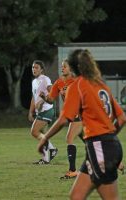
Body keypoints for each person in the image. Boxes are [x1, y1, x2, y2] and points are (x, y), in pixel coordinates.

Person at [37, 49, 126, 199]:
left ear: (72, 67)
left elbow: (64, 119)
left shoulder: (77, 85)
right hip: (105, 145)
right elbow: (122, 118)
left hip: (99, 147)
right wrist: (109, 138)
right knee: (76, 196)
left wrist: (45, 138)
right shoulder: (100, 84)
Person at [39, 60, 83, 179]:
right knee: (90, 142)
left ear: (71, 69)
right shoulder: (58, 82)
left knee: (69, 138)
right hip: (72, 114)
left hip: (81, 114)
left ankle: (73, 170)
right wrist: (44, 97)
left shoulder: (76, 81)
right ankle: (107, 160)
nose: (62, 68)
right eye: (61, 66)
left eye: (65, 66)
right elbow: (51, 99)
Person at [28, 60, 58, 165]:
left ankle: (52, 149)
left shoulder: (45, 79)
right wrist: (30, 112)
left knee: (34, 132)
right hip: (40, 111)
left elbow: (52, 93)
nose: (34, 69)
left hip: (47, 110)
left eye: (36, 67)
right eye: (33, 67)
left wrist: (42, 99)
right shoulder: (34, 81)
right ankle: (45, 159)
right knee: (43, 135)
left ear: (41, 69)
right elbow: (34, 97)